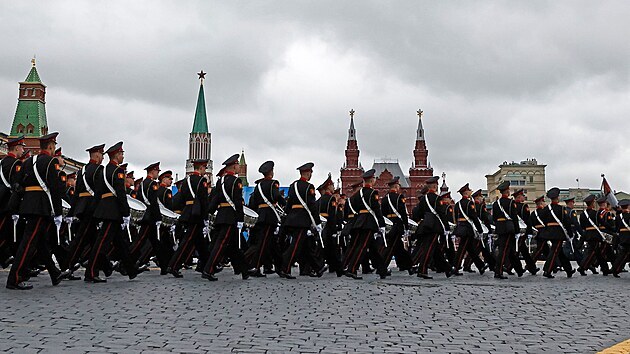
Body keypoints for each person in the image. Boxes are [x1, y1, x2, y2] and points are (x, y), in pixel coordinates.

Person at [6, 132, 69, 290]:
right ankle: (14, 278)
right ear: (50, 146)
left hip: (28, 205)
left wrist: (15, 206)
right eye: (54, 145)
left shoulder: (28, 162)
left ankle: (54, 273)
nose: (54, 148)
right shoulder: (50, 162)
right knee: (28, 243)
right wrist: (58, 212)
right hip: (40, 207)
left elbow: (17, 184)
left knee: (40, 242)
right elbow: (54, 189)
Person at [84, 141, 138, 283]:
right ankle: (91, 272)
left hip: (105, 210)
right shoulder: (118, 171)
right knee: (101, 243)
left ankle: (131, 270)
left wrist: (94, 211)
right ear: (116, 155)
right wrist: (126, 213)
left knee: (121, 243)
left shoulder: (103, 171)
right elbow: (121, 194)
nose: (123, 157)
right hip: (113, 212)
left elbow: (98, 193)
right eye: (121, 154)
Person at [202, 154, 249, 281]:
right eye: (237, 165)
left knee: (234, 245)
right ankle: (208, 269)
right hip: (231, 217)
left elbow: (214, 200)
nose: (239, 167)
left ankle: (244, 270)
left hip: (221, 216)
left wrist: (209, 213)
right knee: (221, 244)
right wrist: (240, 219)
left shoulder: (220, 181)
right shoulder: (236, 182)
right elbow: (238, 202)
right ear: (234, 166)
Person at [65, 144, 105, 280]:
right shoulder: (99, 170)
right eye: (102, 155)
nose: (103, 158)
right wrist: (98, 211)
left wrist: (72, 212)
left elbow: (76, 194)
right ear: (97, 155)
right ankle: (67, 267)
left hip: (81, 208)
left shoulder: (81, 171)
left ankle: (104, 267)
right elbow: (99, 192)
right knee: (80, 240)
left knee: (93, 240)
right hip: (91, 209)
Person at [278, 162, 324, 279]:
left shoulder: (293, 186)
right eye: (310, 173)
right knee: (296, 246)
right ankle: (285, 268)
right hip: (302, 220)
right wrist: (317, 222)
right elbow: (312, 206)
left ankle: (316, 268)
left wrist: (288, 216)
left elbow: (289, 204)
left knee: (305, 246)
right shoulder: (309, 187)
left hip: (292, 219)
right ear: (308, 173)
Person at [167, 159, 210, 278]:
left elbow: (181, 198)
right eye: (204, 168)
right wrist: (205, 217)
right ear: (201, 168)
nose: (205, 171)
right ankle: (174, 265)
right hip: (197, 214)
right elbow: (203, 200)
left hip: (188, 211)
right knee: (187, 241)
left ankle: (207, 266)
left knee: (200, 243)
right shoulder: (202, 181)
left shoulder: (186, 181)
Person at [343, 169, 388, 280]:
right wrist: (381, 224)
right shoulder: (373, 193)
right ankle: (352, 269)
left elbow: (353, 207)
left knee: (373, 249)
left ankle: (382, 270)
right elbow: (377, 209)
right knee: (362, 247)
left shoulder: (358, 194)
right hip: (368, 223)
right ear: (371, 180)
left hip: (359, 221)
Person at [244, 161, 285, 277]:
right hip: (269, 216)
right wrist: (285, 204)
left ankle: (281, 267)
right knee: (263, 244)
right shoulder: (273, 184)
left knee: (273, 244)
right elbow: (276, 197)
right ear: (271, 172)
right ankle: (255, 266)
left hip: (261, 215)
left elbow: (253, 203)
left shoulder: (259, 186)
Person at [0, 136, 25, 269]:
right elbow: (17, 186)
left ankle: (8, 258)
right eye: (22, 147)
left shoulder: (2, 162)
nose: (23, 149)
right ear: (16, 148)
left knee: (10, 235)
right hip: (8, 204)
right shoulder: (16, 164)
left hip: (2, 202)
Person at [540, 187, 575, 279]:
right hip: (558, 233)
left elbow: (542, 218)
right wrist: (570, 233)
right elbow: (567, 222)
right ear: (557, 197)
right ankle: (547, 270)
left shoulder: (546, 209)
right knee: (555, 251)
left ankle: (569, 269)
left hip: (549, 232)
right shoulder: (561, 209)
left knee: (560, 252)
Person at [380, 176, 413, 272]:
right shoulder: (399, 197)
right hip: (397, 225)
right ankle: (382, 267)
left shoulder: (385, 199)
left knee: (398, 247)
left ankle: (406, 265)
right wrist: (406, 227)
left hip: (389, 225)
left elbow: (383, 214)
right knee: (391, 248)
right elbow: (403, 213)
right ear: (396, 186)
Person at [492, 181, 524, 279]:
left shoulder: (496, 203)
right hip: (509, 228)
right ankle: (498, 271)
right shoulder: (511, 203)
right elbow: (514, 217)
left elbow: (494, 218)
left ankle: (519, 269)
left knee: (510, 250)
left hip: (500, 227)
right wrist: (517, 231)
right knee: (504, 250)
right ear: (507, 191)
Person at [453, 183, 486, 274]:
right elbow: (474, 217)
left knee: (471, 249)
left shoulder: (457, 204)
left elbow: (455, 217)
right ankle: (455, 267)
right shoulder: (469, 203)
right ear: (466, 192)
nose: (471, 190)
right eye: (469, 190)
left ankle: (480, 266)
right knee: (462, 249)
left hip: (460, 227)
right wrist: (480, 230)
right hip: (467, 228)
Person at [577, 195, 611, 276]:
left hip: (588, 234)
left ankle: (605, 269)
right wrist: (612, 229)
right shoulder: (596, 214)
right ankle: (582, 267)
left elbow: (582, 226)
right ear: (592, 203)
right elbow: (602, 223)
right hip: (595, 235)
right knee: (592, 252)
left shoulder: (582, 215)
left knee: (598, 253)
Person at [612, 199, 630, 277]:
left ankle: (615, 269)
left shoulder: (618, 217)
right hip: (629, 236)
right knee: (624, 254)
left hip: (622, 237)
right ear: (628, 206)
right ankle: (615, 269)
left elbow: (617, 229)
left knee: (623, 254)